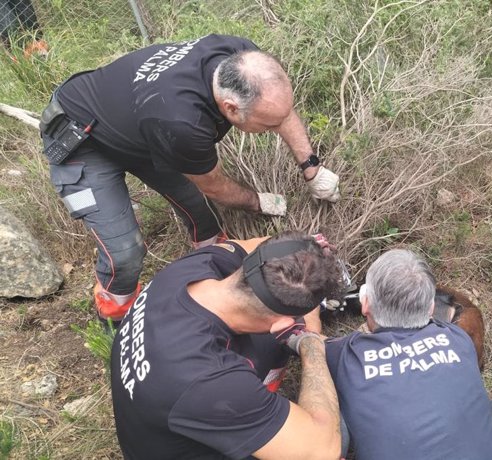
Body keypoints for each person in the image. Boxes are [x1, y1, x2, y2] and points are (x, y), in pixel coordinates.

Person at [38, 34, 340, 323]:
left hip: (141, 125)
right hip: (82, 139)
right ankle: (116, 315)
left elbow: (281, 111)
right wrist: (258, 203)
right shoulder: (182, 124)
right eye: (267, 125)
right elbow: (216, 187)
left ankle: (212, 272)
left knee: (202, 214)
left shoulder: (242, 59)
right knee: (125, 252)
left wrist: (311, 168)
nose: (273, 128)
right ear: (231, 109)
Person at [110, 231, 343, 459]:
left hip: (160, 423)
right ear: (282, 322)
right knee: (339, 434)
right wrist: (310, 341)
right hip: (192, 442)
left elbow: (256, 244)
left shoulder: (196, 266)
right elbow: (323, 450)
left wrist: (309, 247)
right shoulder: (210, 380)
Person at [325, 249, 492, 460]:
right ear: (432, 308)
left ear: (365, 304)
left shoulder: (344, 354)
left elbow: (312, 342)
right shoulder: (459, 340)